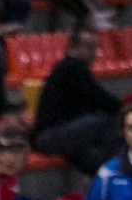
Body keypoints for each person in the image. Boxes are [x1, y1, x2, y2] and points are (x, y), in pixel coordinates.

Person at [33, 22, 121, 176]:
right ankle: (116, 170)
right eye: (89, 47)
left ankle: (106, 176)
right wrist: (127, 108)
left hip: (56, 134)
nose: (94, 53)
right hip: (50, 135)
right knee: (108, 119)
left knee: (88, 154)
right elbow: (101, 100)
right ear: (73, 47)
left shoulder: (69, 67)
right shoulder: (73, 67)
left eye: (94, 48)